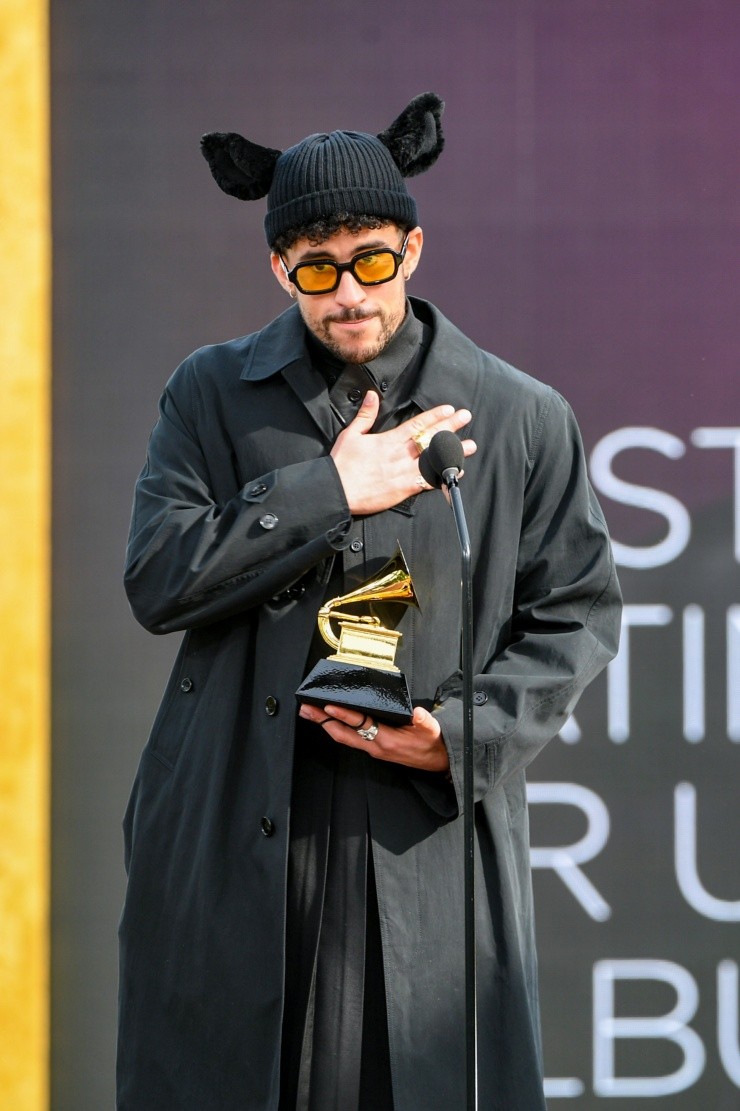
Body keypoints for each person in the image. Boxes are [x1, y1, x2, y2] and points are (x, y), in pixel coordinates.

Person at [118, 93, 622, 1110]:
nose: (348, 292)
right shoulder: (211, 394)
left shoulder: (519, 413)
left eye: (371, 261)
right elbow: (159, 576)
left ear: (413, 249)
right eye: (316, 268)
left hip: (420, 835)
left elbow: (577, 610)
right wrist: (331, 489)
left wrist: (459, 735)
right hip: (239, 826)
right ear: (278, 268)